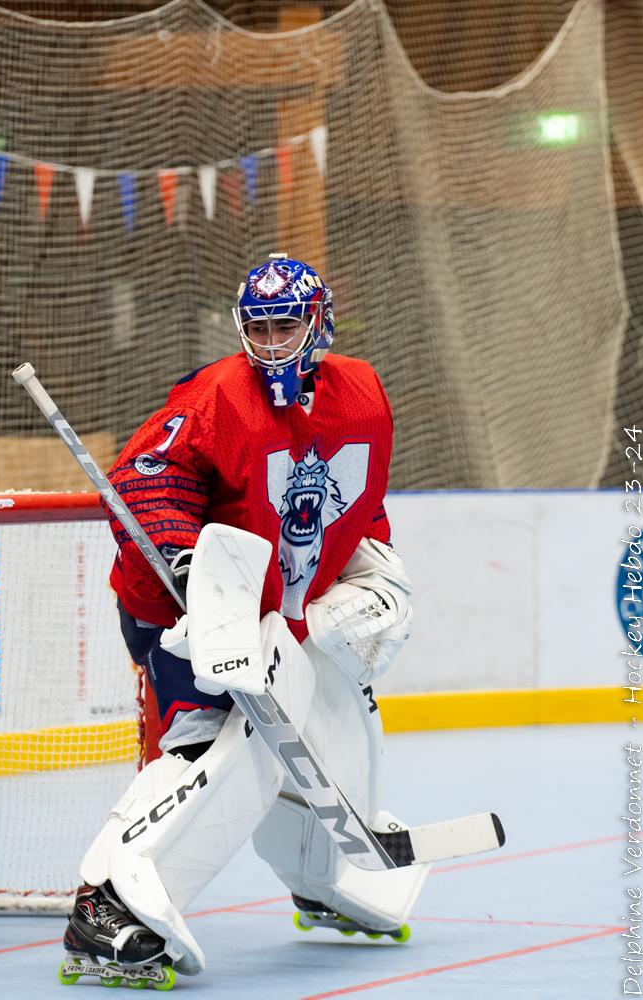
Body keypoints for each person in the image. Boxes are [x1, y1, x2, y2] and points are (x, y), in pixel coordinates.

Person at [60, 254, 428, 987]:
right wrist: (187, 563)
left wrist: (369, 571)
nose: (268, 343)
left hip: (280, 611)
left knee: (330, 729)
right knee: (214, 749)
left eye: (284, 325)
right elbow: (146, 481)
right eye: (256, 328)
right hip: (183, 609)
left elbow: (356, 504)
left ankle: (328, 883)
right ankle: (106, 907)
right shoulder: (216, 396)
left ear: (317, 322)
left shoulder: (361, 394)